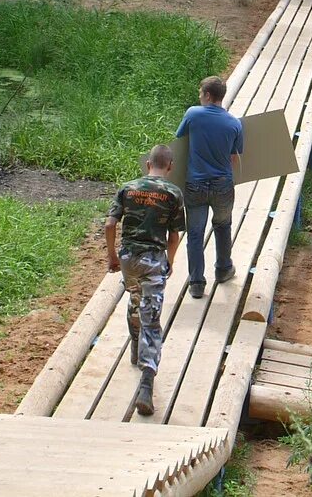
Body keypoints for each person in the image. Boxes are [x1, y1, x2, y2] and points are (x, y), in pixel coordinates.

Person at [105, 143, 185, 417]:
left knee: (134, 298)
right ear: (170, 167)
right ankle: (146, 385)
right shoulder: (174, 193)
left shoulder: (128, 188)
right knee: (152, 317)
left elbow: (109, 224)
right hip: (154, 261)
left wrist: (112, 256)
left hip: (128, 259)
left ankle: (135, 348)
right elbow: (174, 236)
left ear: (148, 164)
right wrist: (170, 262)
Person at [175, 76, 244, 300]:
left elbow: (179, 140)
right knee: (223, 225)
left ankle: (196, 283)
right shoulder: (235, 123)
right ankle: (223, 269)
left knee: (195, 234)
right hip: (223, 184)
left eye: (200, 93)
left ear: (207, 95)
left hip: (195, 184)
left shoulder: (193, 114)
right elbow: (234, 158)